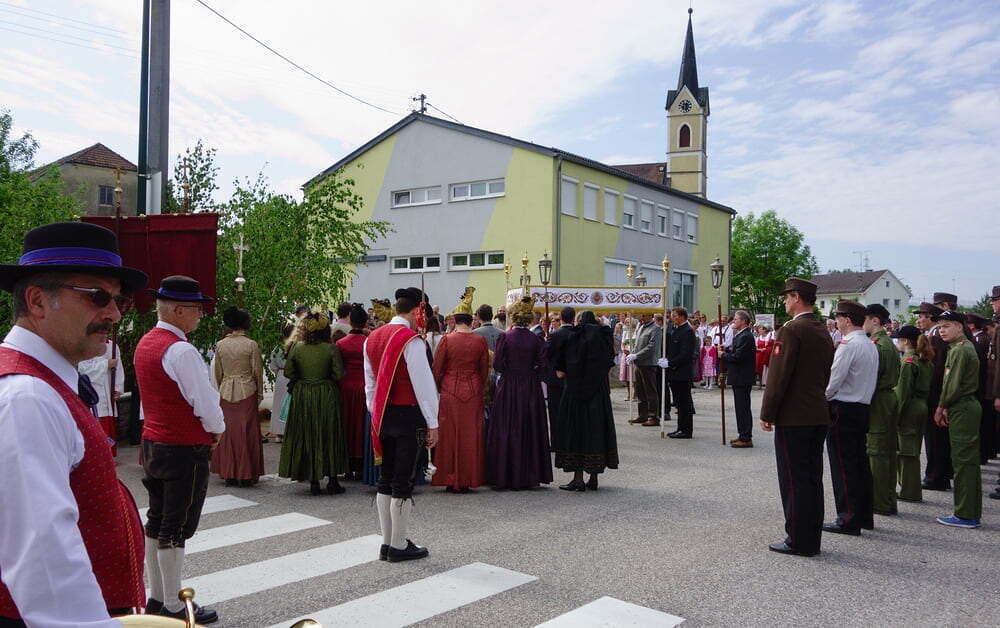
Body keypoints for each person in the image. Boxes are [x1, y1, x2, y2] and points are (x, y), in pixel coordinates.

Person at [0, 222, 147, 625]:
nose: (114, 314)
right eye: (98, 297)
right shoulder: (28, 396)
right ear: (37, 301)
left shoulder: (42, 382)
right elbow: (43, 556)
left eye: (119, 300)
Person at [136, 275, 222, 623]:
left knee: (157, 520)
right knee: (176, 524)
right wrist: (217, 430)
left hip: (154, 441)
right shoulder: (180, 349)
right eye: (196, 309)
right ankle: (173, 604)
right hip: (181, 447)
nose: (200, 314)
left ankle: (157, 598)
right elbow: (203, 401)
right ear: (176, 310)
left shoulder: (146, 342)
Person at [364, 287, 440, 562]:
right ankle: (397, 543)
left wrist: (375, 412)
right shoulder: (412, 341)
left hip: (382, 414)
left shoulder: (371, 337)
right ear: (416, 311)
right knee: (403, 480)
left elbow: (370, 384)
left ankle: (387, 542)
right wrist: (433, 422)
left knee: (386, 477)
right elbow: (423, 385)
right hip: (409, 416)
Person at [760, 278, 833, 557]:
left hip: (794, 416)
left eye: (787, 297)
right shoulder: (821, 329)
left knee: (794, 480)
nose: (784, 301)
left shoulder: (792, 330)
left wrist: (768, 412)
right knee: (811, 478)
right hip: (816, 411)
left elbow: (778, 377)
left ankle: (798, 539)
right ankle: (810, 536)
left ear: (796, 297)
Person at [822, 300, 878, 537]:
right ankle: (864, 515)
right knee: (859, 465)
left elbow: (834, 381)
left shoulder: (848, 344)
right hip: (862, 407)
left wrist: (822, 398)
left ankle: (847, 518)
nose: (836, 321)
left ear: (846, 319)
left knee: (843, 466)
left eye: (838, 317)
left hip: (843, 408)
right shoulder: (869, 344)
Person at [487, 296, 552, 490]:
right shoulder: (536, 339)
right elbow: (543, 366)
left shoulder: (505, 337)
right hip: (530, 387)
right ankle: (529, 475)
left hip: (508, 386)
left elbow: (497, 364)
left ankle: (505, 474)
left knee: (507, 427)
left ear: (514, 317)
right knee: (528, 427)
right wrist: (530, 371)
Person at [279, 310, 347, 495]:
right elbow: (338, 374)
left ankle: (314, 481)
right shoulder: (330, 348)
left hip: (303, 395)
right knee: (329, 433)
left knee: (307, 433)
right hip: (326, 393)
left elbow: (288, 373)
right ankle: (333, 480)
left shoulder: (297, 347)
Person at [431, 288, 489, 492]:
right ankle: (468, 478)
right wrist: (479, 388)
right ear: (471, 320)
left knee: (448, 435)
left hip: (450, 390)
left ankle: (449, 477)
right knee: (471, 435)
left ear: (455, 320)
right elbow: (483, 371)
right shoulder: (479, 341)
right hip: (472, 390)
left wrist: (439, 388)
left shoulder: (447, 340)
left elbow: (437, 369)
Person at [554, 310, 618, 491]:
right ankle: (594, 478)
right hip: (598, 393)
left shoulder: (574, 337)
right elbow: (608, 364)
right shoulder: (604, 338)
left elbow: (561, 370)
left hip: (575, 393)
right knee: (596, 431)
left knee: (577, 432)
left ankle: (578, 478)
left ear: (579, 321)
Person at [932, 310, 982, 528]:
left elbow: (952, 385)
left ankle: (966, 514)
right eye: (940, 326)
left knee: (964, 462)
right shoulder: (958, 348)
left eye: (947, 325)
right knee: (965, 461)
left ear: (960, 327)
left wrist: (941, 407)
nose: (942, 330)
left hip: (962, 406)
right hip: (963, 405)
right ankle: (968, 511)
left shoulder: (960, 350)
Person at [211, 306, 265, 487]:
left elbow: (217, 372)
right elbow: (257, 371)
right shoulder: (251, 345)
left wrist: (222, 386)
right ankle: (246, 472)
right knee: (246, 431)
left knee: (227, 431)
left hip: (226, 389)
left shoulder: (220, 345)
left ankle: (229, 472)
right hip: (246, 389)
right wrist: (259, 393)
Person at [863, 303, 900, 517]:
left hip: (879, 398)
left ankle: (880, 502)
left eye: (866, 319)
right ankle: (886, 499)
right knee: (885, 451)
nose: (863, 323)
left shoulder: (879, 345)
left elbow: (873, 378)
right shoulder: (884, 343)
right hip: (886, 398)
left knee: (877, 452)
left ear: (875, 320)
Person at [893, 325, 933, 503]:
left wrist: (895, 416)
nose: (897, 343)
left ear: (906, 341)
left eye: (899, 339)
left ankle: (909, 491)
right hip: (921, 405)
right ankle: (911, 489)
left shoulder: (908, 362)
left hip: (910, 408)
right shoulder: (923, 359)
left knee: (907, 452)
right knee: (913, 449)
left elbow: (903, 393)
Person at [916, 301, 952, 490]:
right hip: (936, 393)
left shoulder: (936, 336)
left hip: (935, 394)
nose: (919, 319)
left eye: (922, 316)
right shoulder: (932, 335)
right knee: (935, 437)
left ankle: (936, 477)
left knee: (935, 438)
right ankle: (938, 475)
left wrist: (926, 387)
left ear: (931, 317)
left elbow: (936, 368)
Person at [336, 304, 369, 480]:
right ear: (365, 322)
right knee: (362, 426)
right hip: (364, 387)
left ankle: (347, 465)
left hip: (346, 387)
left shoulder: (341, 343)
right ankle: (362, 464)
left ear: (351, 321)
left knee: (347, 424)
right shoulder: (368, 342)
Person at [77, 336, 125, 457]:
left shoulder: (113, 346)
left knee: (108, 422)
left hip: (108, 389)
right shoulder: (85, 343)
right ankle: (100, 455)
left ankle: (109, 455)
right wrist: (105, 364)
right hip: (93, 390)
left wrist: (118, 388)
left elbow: (119, 367)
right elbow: (82, 368)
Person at [722, 310, 756, 447]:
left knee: (743, 408)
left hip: (742, 377)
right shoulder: (741, 335)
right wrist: (726, 351)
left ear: (743, 321)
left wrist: (722, 355)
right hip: (739, 377)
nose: (733, 321)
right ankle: (742, 434)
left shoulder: (746, 336)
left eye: (736, 319)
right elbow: (736, 352)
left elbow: (738, 357)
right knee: (740, 408)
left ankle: (746, 437)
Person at [544, 307, 576, 448]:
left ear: (561, 318)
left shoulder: (555, 335)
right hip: (574, 378)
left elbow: (547, 355)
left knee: (555, 411)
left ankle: (556, 442)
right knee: (573, 411)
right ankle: (572, 441)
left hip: (555, 378)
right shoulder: (578, 334)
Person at [965, 312, 994, 464]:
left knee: (982, 426)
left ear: (971, 325)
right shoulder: (983, 338)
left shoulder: (978, 340)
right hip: (984, 387)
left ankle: (983, 454)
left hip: (981, 388)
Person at [625, 313, 663, 426]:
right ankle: (642, 415)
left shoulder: (655, 328)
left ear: (649, 316)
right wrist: (632, 354)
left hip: (649, 363)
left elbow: (652, 347)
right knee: (640, 390)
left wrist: (637, 355)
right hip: (639, 363)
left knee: (650, 391)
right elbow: (637, 344)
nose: (641, 317)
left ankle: (653, 417)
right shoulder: (641, 327)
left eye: (643, 315)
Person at [665, 307, 697, 439]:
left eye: (675, 316)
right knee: (678, 402)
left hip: (682, 373)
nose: (672, 318)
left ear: (682, 317)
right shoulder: (676, 329)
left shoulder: (688, 331)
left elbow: (685, 354)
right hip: (675, 373)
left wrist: (670, 363)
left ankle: (686, 430)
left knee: (684, 402)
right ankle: (680, 427)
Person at [268, 323, 294, 443]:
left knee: (279, 404)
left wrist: (278, 372)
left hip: (281, 376)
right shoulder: (295, 346)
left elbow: (272, 365)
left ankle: (279, 433)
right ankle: (289, 431)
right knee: (289, 404)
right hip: (292, 376)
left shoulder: (277, 348)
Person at [618, 316, 637, 400]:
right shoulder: (625, 332)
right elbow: (622, 343)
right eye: (626, 323)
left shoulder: (636, 332)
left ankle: (635, 394)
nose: (626, 324)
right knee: (626, 376)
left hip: (633, 354)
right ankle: (629, 394)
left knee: (634, 375)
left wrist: (632, 352)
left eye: (628, 322)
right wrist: (623, 350)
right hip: (625, 354)